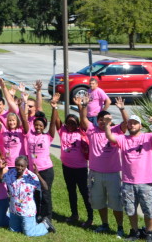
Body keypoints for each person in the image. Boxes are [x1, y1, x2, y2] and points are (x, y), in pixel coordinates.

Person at [104, 113, 152, 241]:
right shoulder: (123, 139)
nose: (132, 125)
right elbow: (110, 137)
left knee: (149, 210)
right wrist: (107, 124)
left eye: (135, 123)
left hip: (145, 181)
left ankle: (149, 233)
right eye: (130, 123)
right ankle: (134, 232)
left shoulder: (147, 137)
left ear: (140, 126)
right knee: (130, 210)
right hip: (128, 182)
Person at [80, 94, 128, 236]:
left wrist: (122, 109)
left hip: (113, 174)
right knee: (99, 201)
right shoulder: (92, 130)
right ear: (97, 120)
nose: (103, 122)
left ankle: (119, 227)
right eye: (100, 120)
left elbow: (126, 123)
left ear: (110, 120)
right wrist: (84, 106)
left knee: (116, 202)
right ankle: (105, 224)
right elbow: (83, 119)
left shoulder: (116, 130)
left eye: (106, 120)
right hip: (95, 173)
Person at [53, 96, 93, 226]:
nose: (71, 125)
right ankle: (74, 214)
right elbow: (57, 121)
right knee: (71, 192)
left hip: (80, 168)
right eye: (68, 122)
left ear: (77, 125)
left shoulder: (81, 132)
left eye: (73, 123)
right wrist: (54, 107)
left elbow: (83, 119)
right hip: (67, 167)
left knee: (84, 192)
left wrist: (81, 106)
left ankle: (90, 217)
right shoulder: (63, 130)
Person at [3, 155, 53, 236]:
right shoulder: (11, 173)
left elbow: (45, 188)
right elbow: (0, 179)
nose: (19, 167)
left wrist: (38, 175)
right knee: (13, 231)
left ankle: (45, 225)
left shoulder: (31, 176)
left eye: (22, 166)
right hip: (14, 210)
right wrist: (1, 169)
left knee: (29, 233)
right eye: (17, 165)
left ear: (26, 165)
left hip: (27, 211)